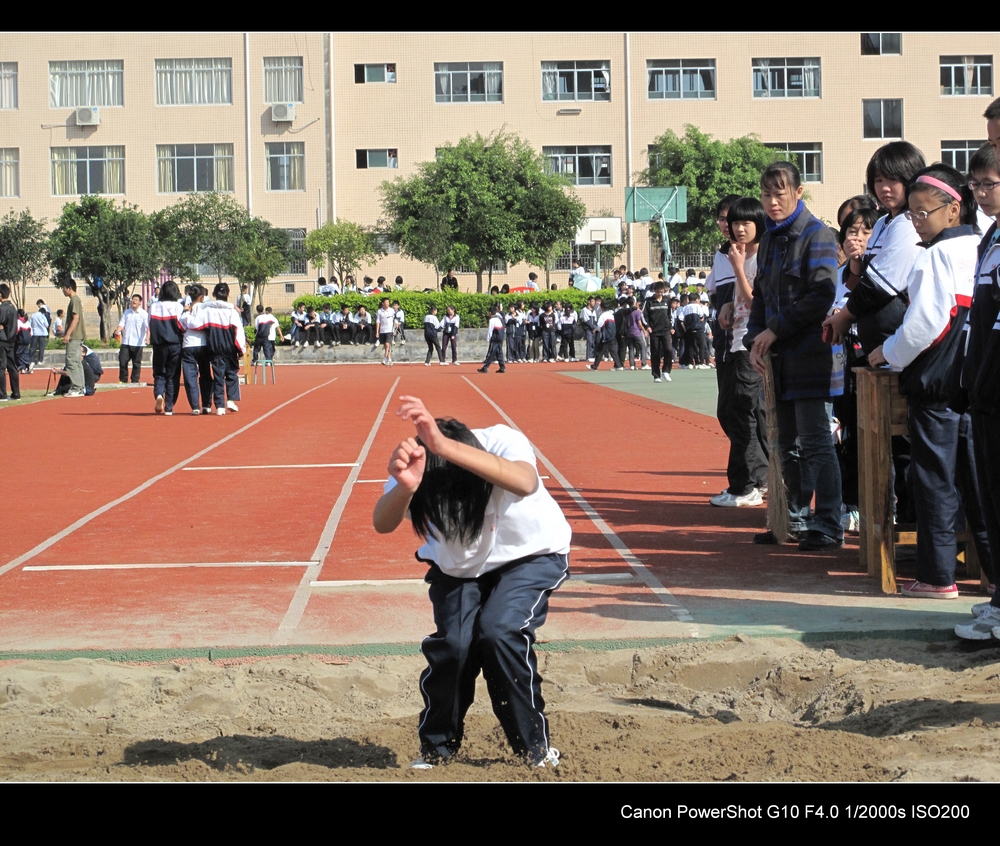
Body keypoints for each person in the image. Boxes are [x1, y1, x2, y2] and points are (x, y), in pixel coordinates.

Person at [373, 396, 569, 769]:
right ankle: (437, 748)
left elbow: (526, 482)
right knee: (455, 646)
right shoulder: (419, 461)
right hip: (459, 569)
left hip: (529, 555)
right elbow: (382, 522)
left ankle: (534, 750)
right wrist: (405, 487)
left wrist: (445, 446)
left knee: (500, 631)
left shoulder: (500, 441)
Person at [867, 165, 989, 600]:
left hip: (937, 382)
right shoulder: (982, 245)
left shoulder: (936, 255)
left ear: (953, 209)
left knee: (935, 480)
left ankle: (938, 576)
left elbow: (926, 326)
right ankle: (991, 573)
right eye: (913, 214)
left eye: (924, 213)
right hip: (974, 382)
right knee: (980, 481)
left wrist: (890, 351)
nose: (917, 221)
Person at [745, 161, 844, 551]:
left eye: (780, 193)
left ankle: (829, 522)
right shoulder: (770, 240)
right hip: (777, 358)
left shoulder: (817, 236)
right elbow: (761, 297)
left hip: (810, 356)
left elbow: (821, 297)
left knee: (816, 441)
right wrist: (755, 338)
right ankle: (795, 518)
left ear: (798, 193)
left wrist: (774, 330)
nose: (772, 202)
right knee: (784, 442)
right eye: (767, 194)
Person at [711, 197, 769, 507]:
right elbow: (738, 300)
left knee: (745, 413)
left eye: (744, 222)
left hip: (753, 345)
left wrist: (738, 268)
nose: (736, 228)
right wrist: (727, 306)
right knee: (734, 412)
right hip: (734, 343)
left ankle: (750, 484)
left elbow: (755, 301)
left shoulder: (761, 258)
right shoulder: (732, 257)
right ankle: (756, 480)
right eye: (733, 222)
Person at [148, 280, 185, 416]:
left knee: (159, 373)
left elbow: (149, 323)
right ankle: (169, 406)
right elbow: (182, 326)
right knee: (173, 375)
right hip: (175, 343)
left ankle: (159, 394)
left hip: (158, 344)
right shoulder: (178, 306)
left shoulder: (154, 306)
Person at [180, 284, 214, 415]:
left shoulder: (185, 310)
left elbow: (181, 327)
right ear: (202, 296)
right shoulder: (206, 307)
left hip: (188, 345)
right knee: (205, 375)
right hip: (203, 345)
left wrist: (186, 313)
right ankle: (207, 405)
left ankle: (195, 406)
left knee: (190, 377)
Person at [115, 294, 150, 384]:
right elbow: (122, 323)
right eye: (133, 299)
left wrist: (147, 338)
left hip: (138, 343)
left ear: (140, 302)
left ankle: (135, 380)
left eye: (136, 300)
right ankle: (123, 379)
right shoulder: (127, 312)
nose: (134, 301)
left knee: (136, 363)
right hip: (126, 341)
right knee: (122, 361)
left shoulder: (144, 314)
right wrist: (118, 330)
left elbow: (147, 327)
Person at [60, 278, 86, 397]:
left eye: (64, 288)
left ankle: (77, 387)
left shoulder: (75, 301)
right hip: (77, 336)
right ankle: (80, 387)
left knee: (71, 361)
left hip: (74, 336)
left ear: (69, 288)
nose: (63, 291)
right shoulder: (76, 300)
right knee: (76, 362)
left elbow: (76, 318)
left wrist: (68, 334)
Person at [0, 285, 18, 402]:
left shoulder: (2, 308)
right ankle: (16, 393)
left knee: (1, 367)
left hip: (2, 340)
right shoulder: (13, 308)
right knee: (12, 367)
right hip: (12, 340)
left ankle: (2, 394)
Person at [478, 304, 506, 373]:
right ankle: (502, 367)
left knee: (491, 352)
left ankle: (485, 367)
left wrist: (488, 339)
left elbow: (490, 330)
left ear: (490, 312)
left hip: (495, 337)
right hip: (501, 336)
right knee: (499, 352)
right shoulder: (499, 317)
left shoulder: (492, 320)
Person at [28, 301, 50, 373]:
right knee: (41, 347)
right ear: (43, 312)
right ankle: (40, 360)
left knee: (33, 347)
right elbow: (47, 325)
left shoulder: (33, 315)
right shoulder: (43, 316)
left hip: (35, 333)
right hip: (42, 334)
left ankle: (31, 360)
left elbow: (30, 324)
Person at [376, 297, 395, 366]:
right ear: (382, 303)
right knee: (386, 346)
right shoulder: (379, 311)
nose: (387, 304)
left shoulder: (391, 310)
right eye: (386, 302)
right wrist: (377, 332)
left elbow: (394, 319)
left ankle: (384, 358)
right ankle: (389, 359)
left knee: (387, 344)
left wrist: (396, 326)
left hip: (389, 330)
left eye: (388, 302)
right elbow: (378, 322)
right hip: (382, 330)